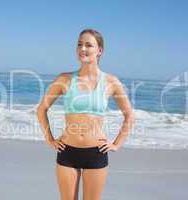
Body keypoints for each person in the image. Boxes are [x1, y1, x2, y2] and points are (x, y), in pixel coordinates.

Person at [37, 28, 135, 200]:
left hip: (96, 153)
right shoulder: (65, 79)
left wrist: (116, 144)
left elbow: (129, 114)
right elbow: (41, 109)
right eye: (79, 44)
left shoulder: (111, 81)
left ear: (99, 51)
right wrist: (50, 139)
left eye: (88, 45)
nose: (83, 49)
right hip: (67, 151)